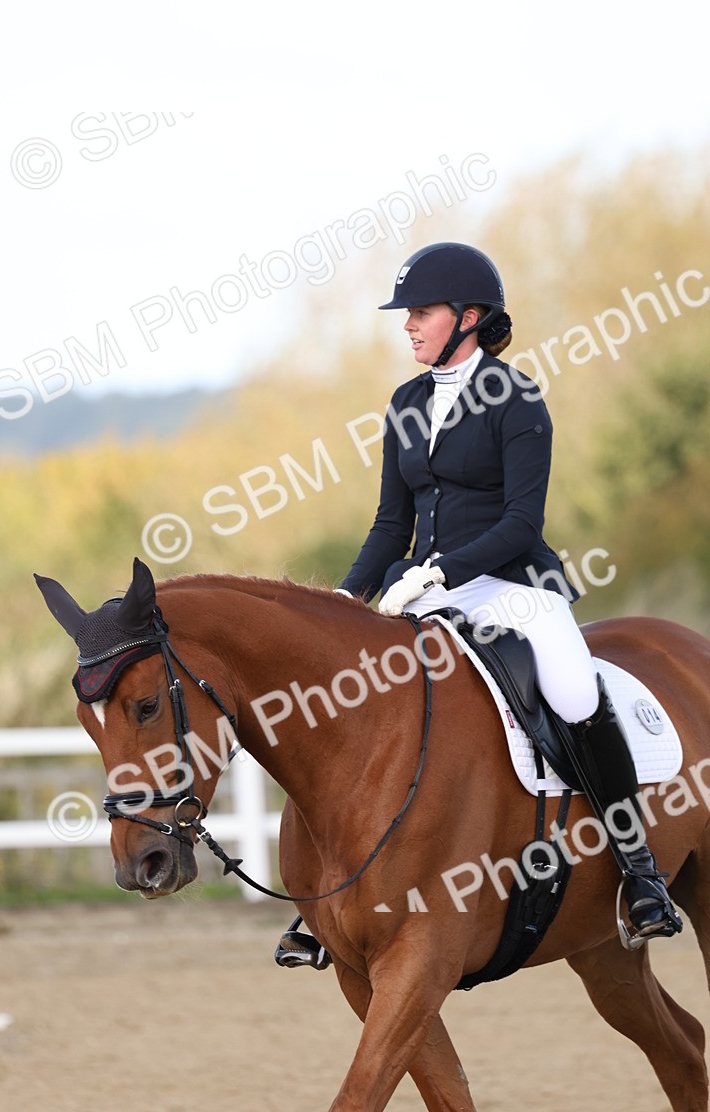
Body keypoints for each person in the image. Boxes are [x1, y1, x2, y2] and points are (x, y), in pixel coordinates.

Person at [275, 242, 681, 970]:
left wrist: (438, 572)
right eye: (408, 315)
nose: (408, 326)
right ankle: (323, 897)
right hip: (416, 588)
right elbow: (388, 526)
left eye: (421, 313)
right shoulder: (405, 403)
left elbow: (521, 523)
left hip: (513, 585)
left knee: (571, 686)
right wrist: (343, 600)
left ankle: (638, 868)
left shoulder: (518, 400)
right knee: (344, 707)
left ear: (468, 317)